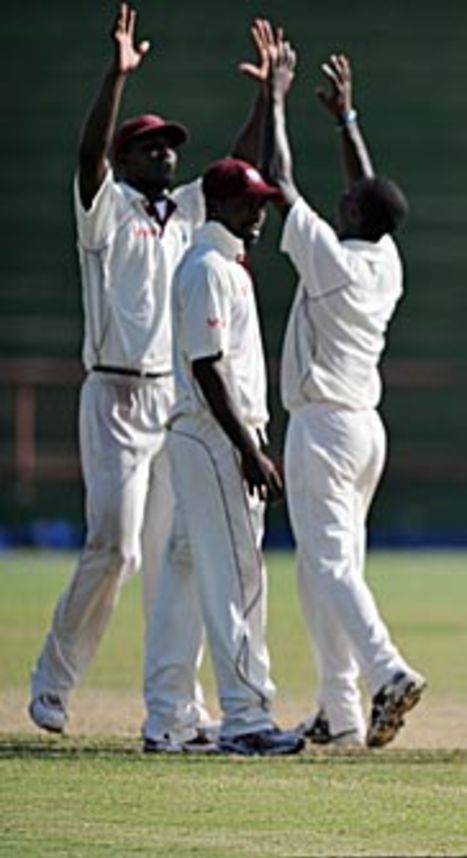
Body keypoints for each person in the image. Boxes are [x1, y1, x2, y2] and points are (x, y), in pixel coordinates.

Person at [29, 3, 266, 739]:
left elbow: (236, 175)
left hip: (171, 398)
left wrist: (267, 100)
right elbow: (87, 158)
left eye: (170, 148)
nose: (166, 155)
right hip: (113, 394)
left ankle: (177, 704)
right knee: (117, 546)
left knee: (177, 557)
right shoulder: (105, 210)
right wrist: (117, 75)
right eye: (152, 147)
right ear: (127, 161)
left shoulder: (187, 214)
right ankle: (52, 684)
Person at [260, 39, 425, 748]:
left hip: (324, 426)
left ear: (354, 216)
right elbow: (370, 190)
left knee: (326, 563)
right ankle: (340, 710)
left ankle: (387, 668)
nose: (343, 196)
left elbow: (277, 178)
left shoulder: (330, 261)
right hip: (362, 428)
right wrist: (346, 119)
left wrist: (274, 97)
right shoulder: (383, 258)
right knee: (324, 568)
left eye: (348, 200)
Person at [141, 155, 303, 756]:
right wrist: (249, 449)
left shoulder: (220, 262)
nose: (259, 211)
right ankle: (246, 716)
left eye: (262, 200)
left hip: (207, 435)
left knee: (185, 571)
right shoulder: (209, 266)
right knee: (236, 573)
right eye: (250, 201)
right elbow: (207, 367)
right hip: (215, 436)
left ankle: (169, 715)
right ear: (218, 203)